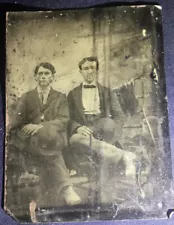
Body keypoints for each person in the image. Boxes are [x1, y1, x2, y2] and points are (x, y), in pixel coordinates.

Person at [8, 62, 81, 208]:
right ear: (35, 77)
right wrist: (27, 128)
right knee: (49, 146)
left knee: (50, 138)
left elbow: (63, 120)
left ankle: (63, 190)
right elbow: (16, 122)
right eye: (40, 74)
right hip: (33, 144)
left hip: (53, 139)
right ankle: (67, 188)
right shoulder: (27, 97)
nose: (43, 77)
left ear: (53, 77)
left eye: (46, 74)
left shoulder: (60, 97)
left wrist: (41, 127)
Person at [67, 56, 136, 178]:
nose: (90, 71)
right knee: (74, 139)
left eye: (93, 68)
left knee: (108, 123)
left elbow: (119, 115)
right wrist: (77, 128)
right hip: (84, 130)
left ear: (97, 70)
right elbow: (67, 118)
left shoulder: (107, 92)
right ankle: (123, 155)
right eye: (86, 68)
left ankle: (113, 154)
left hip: (102, 128)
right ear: (81, 71)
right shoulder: (73, 94)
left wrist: (115, 133)